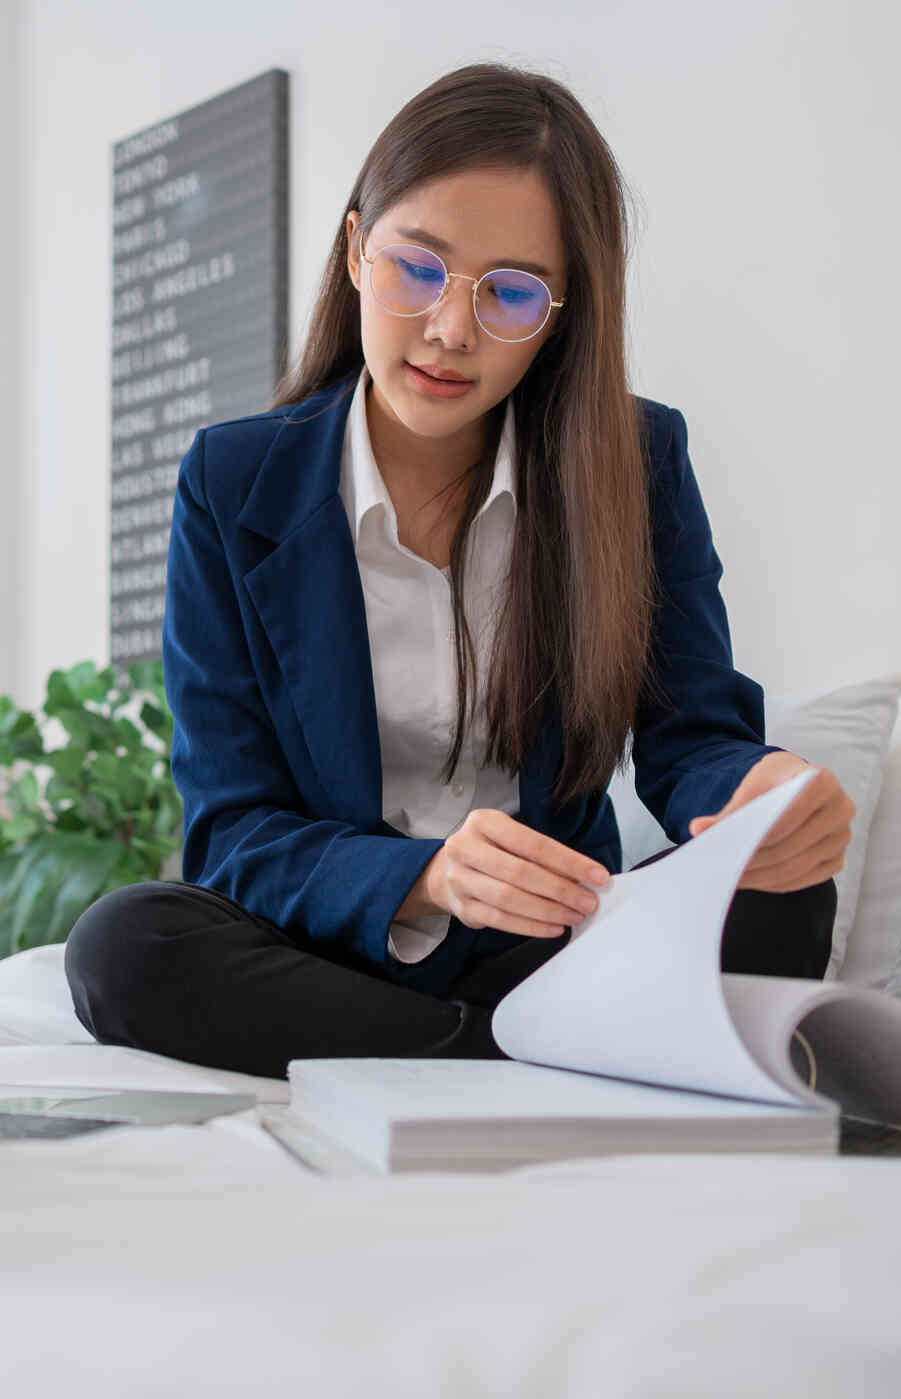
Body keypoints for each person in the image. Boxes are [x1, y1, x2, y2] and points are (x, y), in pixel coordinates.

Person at [67, 63, 856, 1080]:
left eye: (512, 292)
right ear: (356, 251)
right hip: (340, 954)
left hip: (560, 949)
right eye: (418, 268)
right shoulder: (232, 483)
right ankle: (501, 1062)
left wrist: (762, 788)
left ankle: (511, 1046)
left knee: (783, 881)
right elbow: (235, 828)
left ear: (563, 311)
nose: (451, 330)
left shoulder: (636, 461)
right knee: (124, 946)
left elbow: (690, 738)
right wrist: (427, 877)